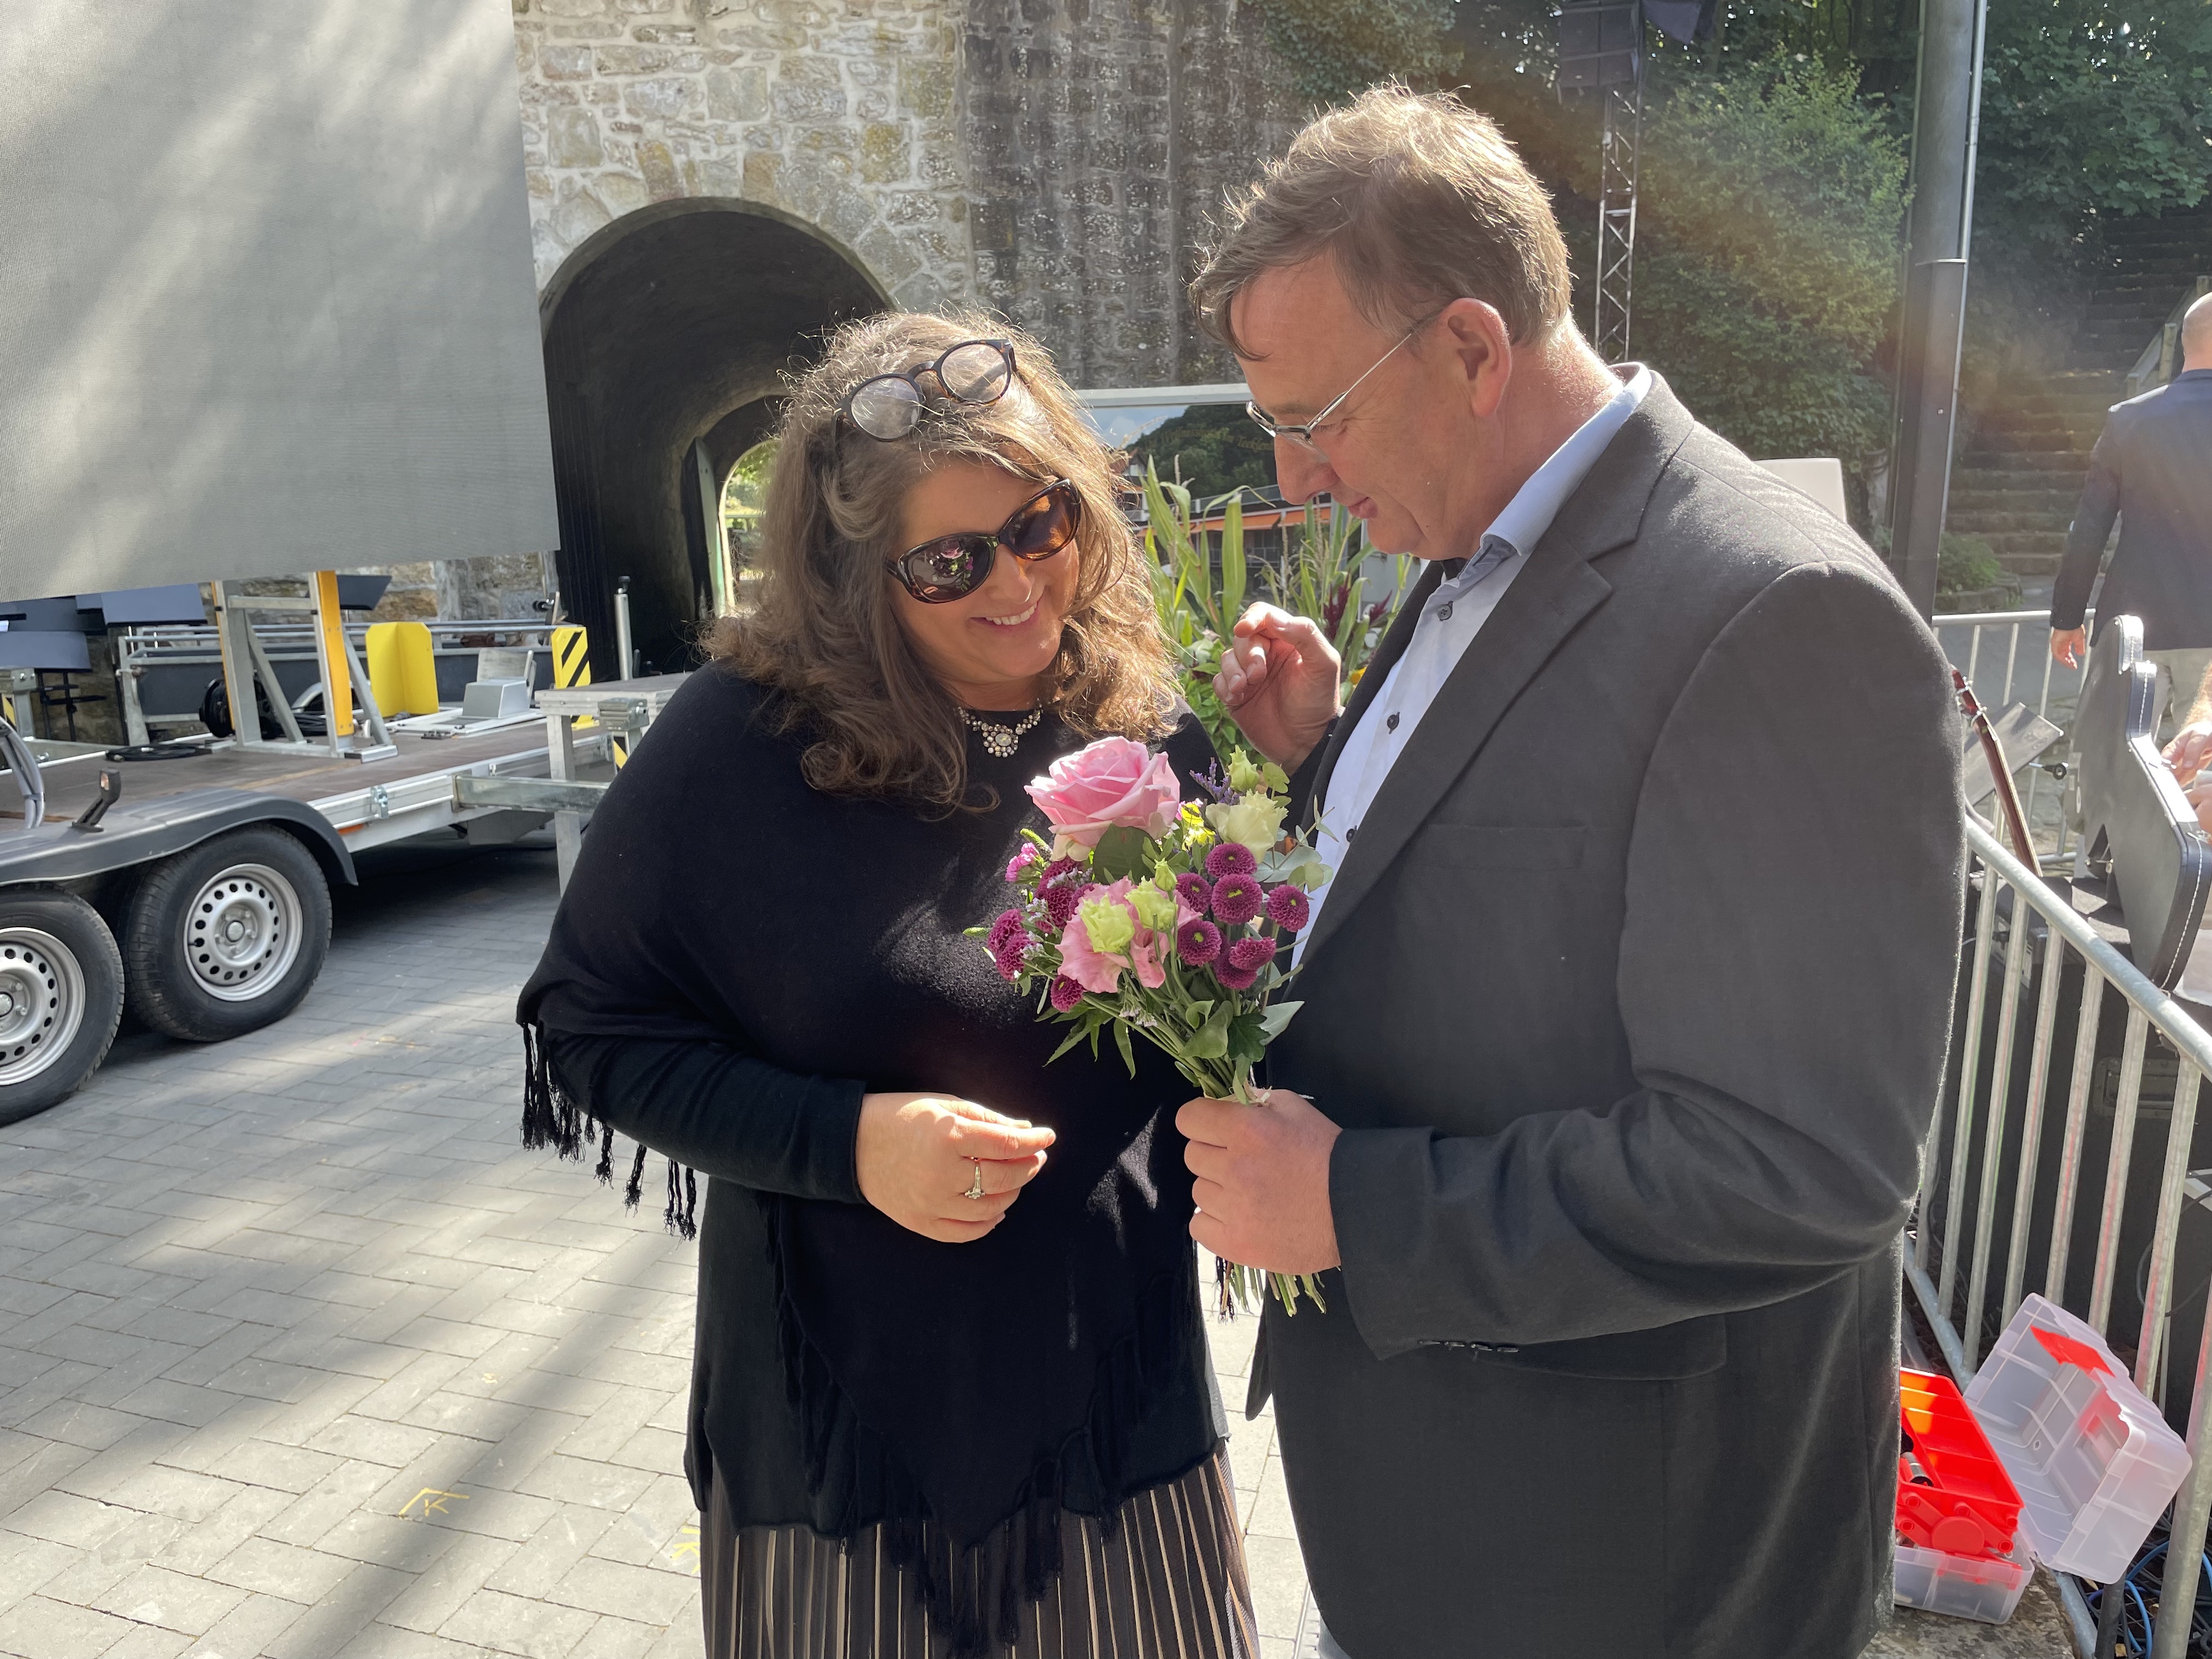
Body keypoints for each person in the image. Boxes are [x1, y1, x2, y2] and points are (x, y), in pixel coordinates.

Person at [1173, 88, 1965, 1658]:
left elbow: (1799, 1167)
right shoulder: (1477, 547)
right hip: (1450, 1515)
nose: (1301, 480)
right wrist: (1331, 764)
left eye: (1316, 421)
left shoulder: (1774, 614)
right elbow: (1509, 890)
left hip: (1613, 1574)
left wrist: (1358, 1208)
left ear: (1472, 351)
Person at [516, 313, 1254, 1659]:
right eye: (948, 562)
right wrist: (848, 1145)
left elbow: (1229, 990)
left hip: (1120, 1403)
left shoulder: (1138, 716)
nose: (1019, 585)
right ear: (857, 578)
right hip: (845, 1444)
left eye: (1042, 526)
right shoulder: (741, 746)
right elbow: (588, 1029)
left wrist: (1300, 772)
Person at [2050, 290, 2212, 739]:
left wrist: (2067, 616)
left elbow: (2089, 529)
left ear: (2185, 344)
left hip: (2132, 626)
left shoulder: (2128, 419)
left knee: (2112, 774)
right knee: (2203, 783)